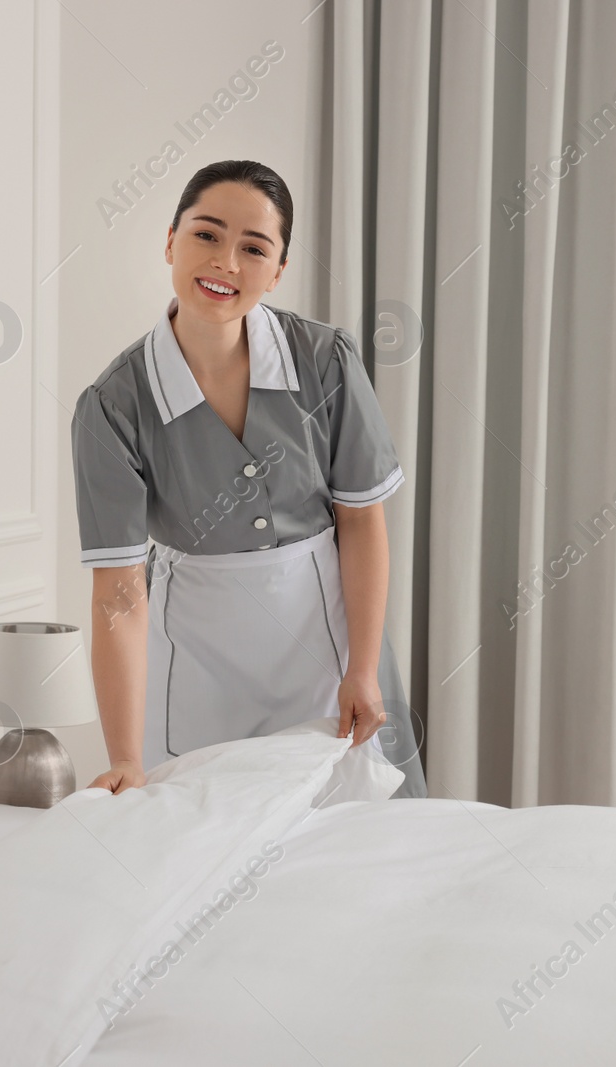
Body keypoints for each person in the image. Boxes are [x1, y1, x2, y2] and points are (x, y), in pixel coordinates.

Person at [70, 159, 427, 798]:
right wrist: (123, 755)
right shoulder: (112, 406)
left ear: (279, 268)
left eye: (254, 248)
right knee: (208, 841)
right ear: (171, 240)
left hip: (327, 643)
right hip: (197, 655)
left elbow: (361, 521)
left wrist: (364, 669)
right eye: (206, 234)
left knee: (349, 843)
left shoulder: (326, 362)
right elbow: (117, 592)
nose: (226, 262)